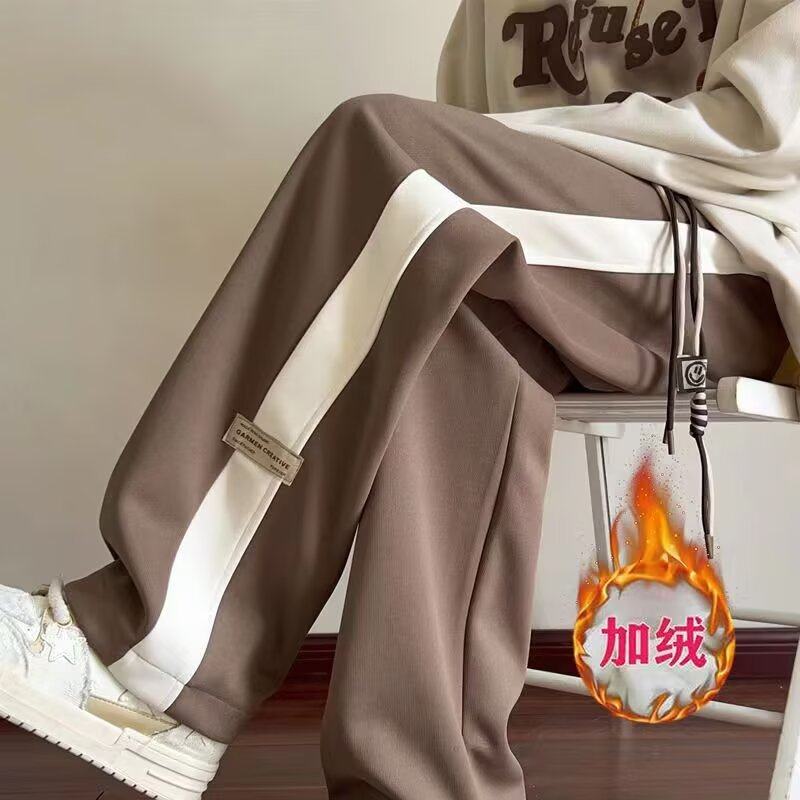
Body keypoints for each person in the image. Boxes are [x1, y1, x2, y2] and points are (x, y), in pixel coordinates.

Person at [1, 1, 797, 798]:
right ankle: (424, 785)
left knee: (387, 152)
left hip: (735, 261)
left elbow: (768, 140)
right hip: (561, 252)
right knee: (446, 290)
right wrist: (489, 164)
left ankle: (148, 662)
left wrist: (501, 159)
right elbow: (470, 135)